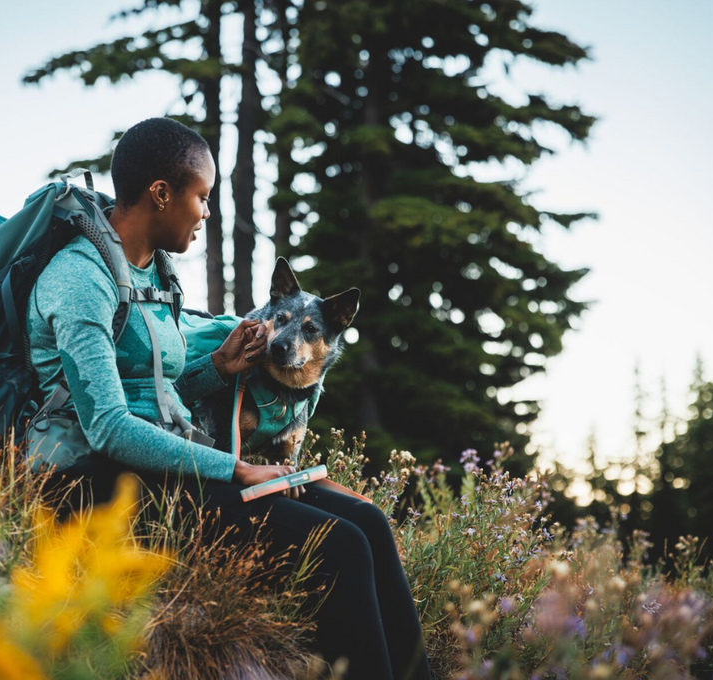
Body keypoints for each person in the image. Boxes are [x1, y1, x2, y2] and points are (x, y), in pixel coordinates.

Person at [25, 116, 432, 680]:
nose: (207, 213)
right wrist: (236, 469)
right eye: (202, 197)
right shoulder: (80, 280)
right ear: (162, 194)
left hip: (164, 461)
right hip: (95, 481)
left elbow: (153, 394)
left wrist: (218, 368)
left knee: (370, 525)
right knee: (339, 546)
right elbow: (109, 426)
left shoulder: (152, 272)